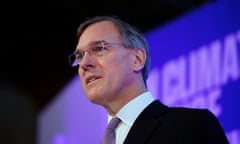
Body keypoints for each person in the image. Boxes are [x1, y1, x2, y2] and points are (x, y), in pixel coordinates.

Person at [68, 15, 229, 144]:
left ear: (137, 59)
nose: (84, 64)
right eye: (79, 56)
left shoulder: (190, 125)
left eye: (99, 48)